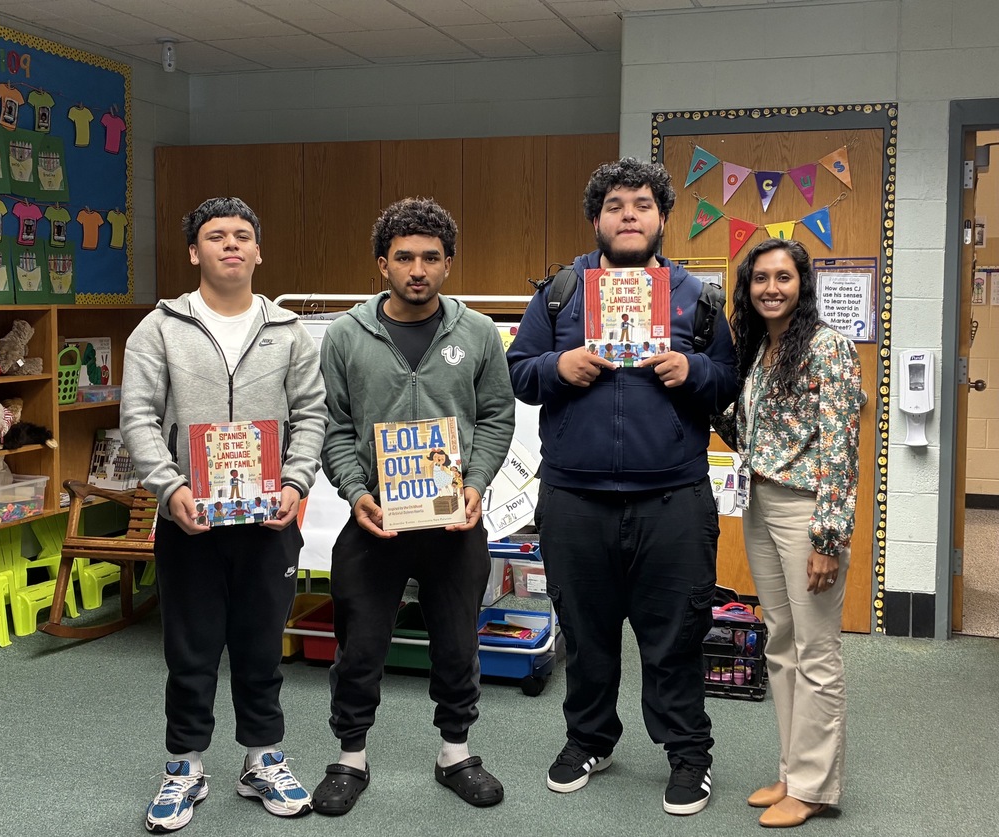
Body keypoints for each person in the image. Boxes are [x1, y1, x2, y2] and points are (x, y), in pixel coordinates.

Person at [507, 157, 738, 816]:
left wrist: (691, 367)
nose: (629, 214)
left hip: (672, 498)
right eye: (615, 204)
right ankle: (589, 739)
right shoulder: (560, 291)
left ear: (661, 217)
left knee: (676, 633)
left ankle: (689, 752)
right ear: (597, 217)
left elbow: (726, 380)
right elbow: (519, 373)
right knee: (586, 631)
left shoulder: (698, 296)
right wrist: (561, 363)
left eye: (641, 203)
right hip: (575, 497)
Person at [121, 197, 327, 832]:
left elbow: (312, 416)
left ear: (259, 251)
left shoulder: (290, 332)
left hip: (269, 523)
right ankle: (184, 765)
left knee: (263, 646)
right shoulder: (157, 330)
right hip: (190, 521)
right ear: (195, 252)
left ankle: (262, 758)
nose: (230, 245)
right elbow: (138, 417)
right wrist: (169, 489)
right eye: (216, 236)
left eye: (243, 236)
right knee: (191, 647)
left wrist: (295, 483)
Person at [314, 197, 515, 816]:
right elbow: (334, 426)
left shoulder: (478, 333)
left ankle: (455, 751)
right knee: (361, 643)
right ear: (382, 264)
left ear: (448, 264)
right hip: (373, 522)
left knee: (457, 641)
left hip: (454, 523)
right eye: (405, 257)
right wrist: (357, 493)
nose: (418, 268)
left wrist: (477, 483)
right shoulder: (346, 335)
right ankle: (351, 757)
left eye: (431, 257)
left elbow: (496, 419)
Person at [714, 238, 860, 828]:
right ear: (747, 288)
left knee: (816, 649)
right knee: (780, 641)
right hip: (761, 503)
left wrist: (828, 538)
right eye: (759, 279)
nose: (771, 288)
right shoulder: (760, 348)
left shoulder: (829, 348)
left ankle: (817, 786)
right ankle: (794, 770)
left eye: (783, 277)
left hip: (808, 512)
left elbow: (839, 448)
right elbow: (757, 436)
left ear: (803, 283)